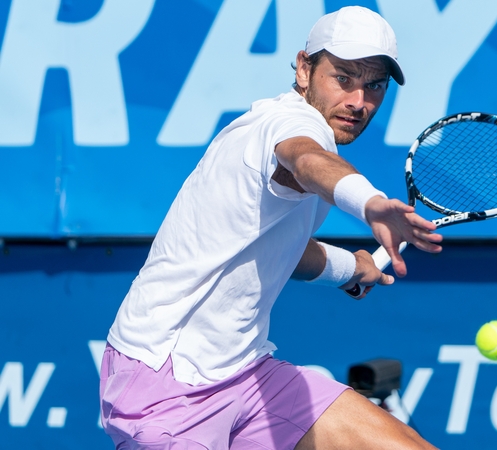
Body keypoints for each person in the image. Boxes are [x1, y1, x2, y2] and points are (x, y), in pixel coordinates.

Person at [99, 6, 442, 449]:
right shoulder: (288, 126)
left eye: (373, 85)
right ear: (304, 69)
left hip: (245, 374)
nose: (359, 101)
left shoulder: (299, 130)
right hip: (166, 381)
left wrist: (352, 268)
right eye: (343, 78)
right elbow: (306, 160)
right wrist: (372, 203)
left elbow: (282, 247)